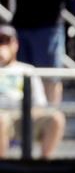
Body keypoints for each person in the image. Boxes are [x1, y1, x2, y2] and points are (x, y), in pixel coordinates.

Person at [0, 25, 65, 159]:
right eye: (0, 42)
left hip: (24, 114)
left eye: (7, 41)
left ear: (15, 44)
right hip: (2, 116)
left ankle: (43, 164)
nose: (3, 46)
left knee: (56, 118)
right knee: (1, 120)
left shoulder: (27, 70)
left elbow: (40, 103)